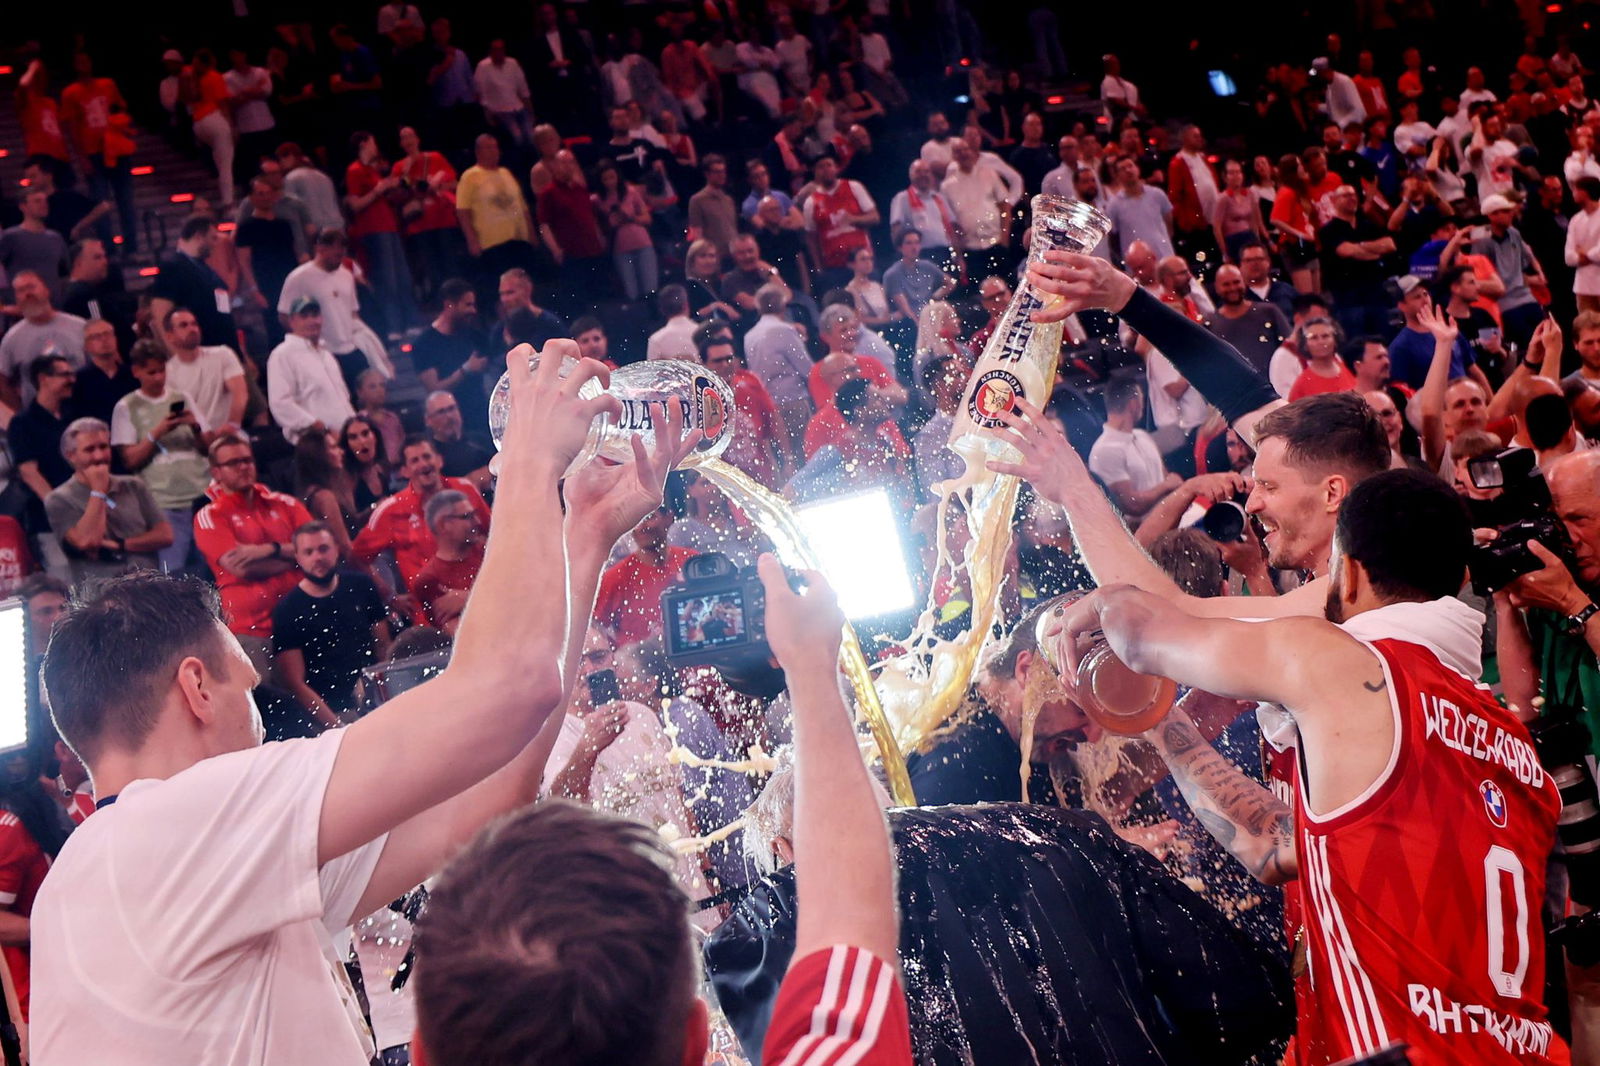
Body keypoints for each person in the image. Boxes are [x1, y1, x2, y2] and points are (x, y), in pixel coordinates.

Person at [31, 341, 695, 1065]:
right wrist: (528, 462)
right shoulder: (168, 829)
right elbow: (507, 686)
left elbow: (489, 798)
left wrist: (584, 536)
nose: (260, 718)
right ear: (195, 689)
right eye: (247, 687)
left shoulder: (131, 867)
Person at [1057, 469, 1565, 1064]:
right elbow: (1276, 849)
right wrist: (1162, 721)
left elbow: (1140, 634)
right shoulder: (1514, 743)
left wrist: (1102, 601)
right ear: (1460, 580)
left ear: (1347, 572)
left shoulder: (1348, 664)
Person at [414, 557, 912, 1066]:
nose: (592, 668)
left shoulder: (644, 716)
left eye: (600, 655)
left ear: (421, 1054)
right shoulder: (551, 741)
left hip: (684, 906)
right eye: (581, 660)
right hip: (631, 926)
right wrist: (811, 671)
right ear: (695, 1040)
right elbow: (850, 915)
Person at [192, 435, 313, 679]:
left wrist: (268, 550)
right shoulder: (210, 515)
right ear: (216, 472)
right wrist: (296, 557)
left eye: (247, 460)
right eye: (233, 463)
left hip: (304, 619)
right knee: (267, 699)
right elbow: (241, 568)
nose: (243, 467)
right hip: (252, 630)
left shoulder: (286, 504)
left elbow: (319, 547)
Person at [272, 521, 391, 726]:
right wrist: (336, 727)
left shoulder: (361, 585)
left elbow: (383, 646)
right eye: (309, 552)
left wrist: (387, 699)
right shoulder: (287, 610)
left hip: (375, 700)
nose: (317, 557)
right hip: (332, 712)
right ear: (298, 557)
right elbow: (295, 683)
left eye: (323, 549)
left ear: (337, 549)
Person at [110, 343, 213, 573]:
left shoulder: (183, 397)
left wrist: (195, 427)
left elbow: (210, 448)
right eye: (151, 372)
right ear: (136, 372)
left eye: (162, 370)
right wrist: (157, 432)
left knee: (211, 569)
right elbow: (129, 460)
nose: (159, 378)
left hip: (201, 497)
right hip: (164, 504)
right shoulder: (126, 406)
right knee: (174, 573)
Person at [352, 436, 491, 595]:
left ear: (439, 460)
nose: (423, 464)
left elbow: (495, 532)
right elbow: (357, 557)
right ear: (404, 471)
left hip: (480, 593)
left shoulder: (465, 489)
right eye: (415, 460)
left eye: (427, 456)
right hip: (429, 605)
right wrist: (389, 597)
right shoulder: (390, 510)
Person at [45, 417, 172, 583]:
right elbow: (87, 541)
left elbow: (165, 535)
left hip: (147, 584)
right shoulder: (58, 499)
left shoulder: (133, 485)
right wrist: (98, 491)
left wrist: (121, 545)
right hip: (101, 592)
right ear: (71, 455)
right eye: (89, 449)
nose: (99, 456)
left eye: (103, 447)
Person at [277, 229, 370, 391]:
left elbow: (353, 313)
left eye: (342, 252)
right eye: (335, 252)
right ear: (320, 248)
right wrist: (308, 342)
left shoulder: (346, 275)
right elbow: (284, 315)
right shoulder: (299, 277)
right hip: (322, 351)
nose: (340, 256)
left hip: (351, 349)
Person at [343, 132, 414, 339]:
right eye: (373, 142)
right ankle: (393, 326)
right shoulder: (355, 170)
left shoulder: (371, 170)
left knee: (402, 276)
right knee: (386, 279)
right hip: (373, 229)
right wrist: (379, 190)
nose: (376, 146)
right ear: (364, 143)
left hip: (389, 226)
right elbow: (355, 205)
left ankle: (410, 322)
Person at [594, 506, 695, 643]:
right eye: (635, 520)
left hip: (693, 653)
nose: (641, 527)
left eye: (649, 517)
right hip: (640, 656)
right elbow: (593, 630)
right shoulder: (615, 578)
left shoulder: (691, 562)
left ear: (668, 518)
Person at [267, 297, 357, 445]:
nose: (312, 321)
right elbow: (280, 404)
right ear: (292, 321)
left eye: (315, 315)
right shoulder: (282, 354)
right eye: (304, 316)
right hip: (316, 443)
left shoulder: (327, 355)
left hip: (346, 439)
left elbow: (344, 398)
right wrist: (322, 429)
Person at [1088, 379, 1180, 520]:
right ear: (1134, 404)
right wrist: (1166, 487)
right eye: (1142, 399)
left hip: (1170, 517)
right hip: (1143, 529)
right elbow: (1132, 505)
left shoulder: (1142, 436)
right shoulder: (1104, 451)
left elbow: (1166, 477)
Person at [411, 278, 491, 434]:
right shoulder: (424, 344)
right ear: (449, 305)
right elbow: (434, 389)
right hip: (452, 427)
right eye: (468, 305)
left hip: (482, 421)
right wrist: (466, 370)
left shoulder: (475, 336)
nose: (473, 310)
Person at [1470, 194, 1548, 348]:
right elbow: (1478, 270)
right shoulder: (1481, 240)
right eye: (1505, 211)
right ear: (1492, 215)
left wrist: (1539, 272)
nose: (1511, 214)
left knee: (1547, 338)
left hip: (1526, 296)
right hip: (1504, 303)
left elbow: (1528, 254)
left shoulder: (1514, 233)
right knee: (1527, 345)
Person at [0, 272, 86, 411]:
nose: (28, 294)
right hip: (39, 417)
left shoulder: (80, 327)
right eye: (21, 290)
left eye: (31, 287)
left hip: (82, 409)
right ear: (17, 299)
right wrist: (20, 414)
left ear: (46, 290)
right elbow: (2, 381)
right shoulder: (11, 339)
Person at [149, 215, 237, 352]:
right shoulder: (172, 267)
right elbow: (161, 313)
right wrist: (177, 354)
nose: (216, 243)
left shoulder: (205, 269)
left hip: (225, 349)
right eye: (213, 238)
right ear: (198, 236)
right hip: (200, 351)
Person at [457, 134, 537, 278]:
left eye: (495, 147)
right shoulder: (469, 176)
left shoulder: (506, 173)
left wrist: (531, 233)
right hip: (492, 244)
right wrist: (472, 240)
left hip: (519, 239)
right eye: (488, 148)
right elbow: (463, 211)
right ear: (478, 152)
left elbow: (523, 207)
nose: (494, 151)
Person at [161, 307, 247, 435]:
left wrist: (232, 424)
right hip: (194, 438)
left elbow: (240, 394)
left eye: (194, 324)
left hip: (227, 434)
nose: (192, 329)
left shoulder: (223, 354)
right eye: (184, 325)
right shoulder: (167, 373)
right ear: (169, 336)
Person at [410, 489, 483, 633]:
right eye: (467, 516)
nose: (478, 522)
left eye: (475, 514)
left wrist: (471, 597)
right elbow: (459, 633)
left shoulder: (490, 550)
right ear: (443, 525)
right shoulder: (429, 580)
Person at [804, 154, 879, 286]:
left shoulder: (854, 187)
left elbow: (875, 217)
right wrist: (818, 268)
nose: (826, 169)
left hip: (862, 261)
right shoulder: (811, 202)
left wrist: (854, 219)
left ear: (836, 168)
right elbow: (811, 238)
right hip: (834, 267)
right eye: (821, 167)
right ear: (815, 173)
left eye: (829, 165)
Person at [1209, 263, 1292, 376]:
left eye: (1236, 282)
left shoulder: (1269, 311)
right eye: (1226, 284)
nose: (1232, 288)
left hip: (1274, 382)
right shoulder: (1210, 323)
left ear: (1244, 282)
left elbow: (1291, 347)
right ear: (1217, 288)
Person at [0, 190, 69, 303]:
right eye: (37, 201)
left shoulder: (56, 237)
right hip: (22, 305)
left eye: (45, 201)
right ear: (23, 207)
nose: (44, 204)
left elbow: (66, 271)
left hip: (53, 304)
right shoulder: (11, 236)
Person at [883, 228, 956, 323]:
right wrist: (923, 326)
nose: (914, 247)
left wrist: (934, 298)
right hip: (909, 321)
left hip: (929, 314)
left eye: (917, 243)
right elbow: (906, 311)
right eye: (909, 243)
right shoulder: (893, 274)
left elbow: (950, 283)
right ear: (900, 247)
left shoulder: (927, 266)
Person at [423, 391, 493, 489]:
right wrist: (468, 482)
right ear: (428, 420)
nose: (449, 416)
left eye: (452, 409)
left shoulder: (480, 440)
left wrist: (489, 472)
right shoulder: (429, 455)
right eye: (441, 412)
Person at [473, 39, 534, 148]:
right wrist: (487, 113)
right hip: (500, 111)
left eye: (501, 49)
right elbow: (481, 92)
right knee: (518, 137)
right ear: (490, 51)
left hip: (517, 107)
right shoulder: (483, 67)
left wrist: (530, 109)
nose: (499, 52)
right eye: (496, 50)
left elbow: (523, 88)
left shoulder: (512, 63)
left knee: (531, 136)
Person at [1287, 317, 1359, 400]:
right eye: (1314, 337)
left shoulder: (1349, 369)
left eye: (1325, 336)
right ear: (1305, 344)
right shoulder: (1301, 385)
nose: (1320, 342)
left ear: (1335, 340)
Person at [647, 284, 700, 361]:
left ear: (662, 310)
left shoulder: (656, 340)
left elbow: (652, 368)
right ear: (686, 305)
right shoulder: (702, 333)